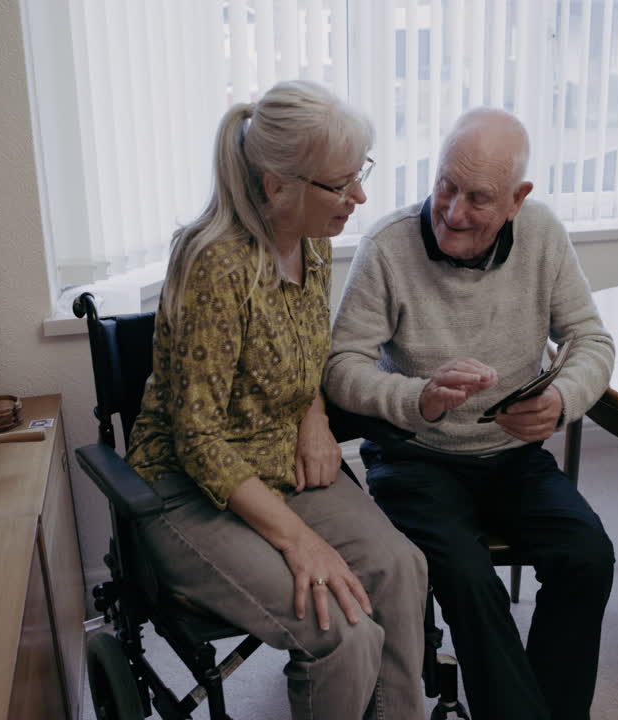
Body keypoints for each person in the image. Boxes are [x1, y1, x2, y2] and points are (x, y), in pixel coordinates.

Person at [125, 81, 428, 719]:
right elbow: (198, 441)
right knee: (340, 630)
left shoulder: (312, 240)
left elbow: (302, 350)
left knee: (401, 569)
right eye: (341, 183)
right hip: (190, 489)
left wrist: (314, 415)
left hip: (281, 457)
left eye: (359, 175)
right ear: (276, 185)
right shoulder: (215, 264)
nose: (360, 197)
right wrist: (297, 540)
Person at [324, 107, 616, 720]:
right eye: (445, 186)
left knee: (588, 556)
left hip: (511, 458)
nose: (453, 213)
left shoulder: (542, 236)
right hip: (413, 460)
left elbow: (591, 340)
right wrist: (416, 397)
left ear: (518, 199)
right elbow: (340, 366)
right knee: (467, 576)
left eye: (478, 198)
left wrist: (561, 402)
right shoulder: (387, 244)